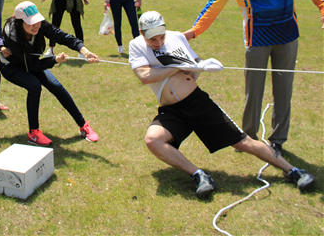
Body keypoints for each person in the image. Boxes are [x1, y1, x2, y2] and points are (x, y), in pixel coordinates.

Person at [129, 11, 315, 198]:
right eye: (153, 39)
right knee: (153, 140)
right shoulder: (136, 46)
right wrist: (176, 66)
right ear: (142, 33)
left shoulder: (176, 37)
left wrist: (202, 65)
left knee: (243, 142)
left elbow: (195, 63)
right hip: (171, 110)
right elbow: (145, 76)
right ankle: (199, 175)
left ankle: (293, 171)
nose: (158, 42)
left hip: (197, 102)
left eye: (161, 36)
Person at [183, 0, 324, 157]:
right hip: (257, 36)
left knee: (284, 90)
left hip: (287, 33)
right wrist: (195, 31)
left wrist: (323, 5)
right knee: (254, 91)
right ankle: (248, 137)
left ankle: (278, 140)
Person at [0, 1, 99, 146]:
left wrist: (83, 50)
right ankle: (33, 133)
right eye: (31, 23)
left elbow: (61, 36)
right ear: (20, 22)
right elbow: (32, 66)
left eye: (37, 21)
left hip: (32, 62)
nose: (36, 25)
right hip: (12, 67)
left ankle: (83, 126)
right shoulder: (13, 37)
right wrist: (54, 60)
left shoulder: (40, 25)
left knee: (56, 86)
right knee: (34, 86)